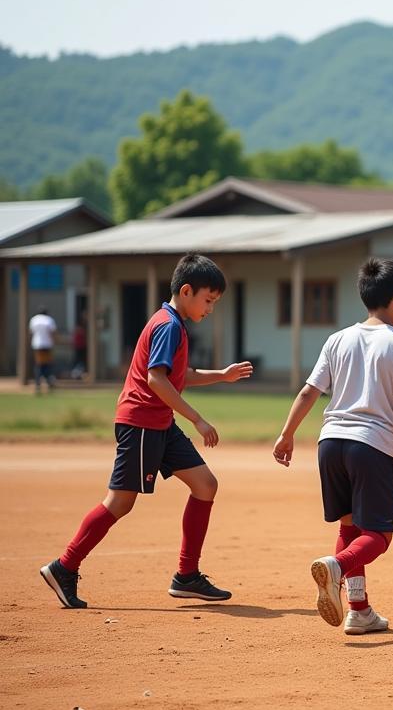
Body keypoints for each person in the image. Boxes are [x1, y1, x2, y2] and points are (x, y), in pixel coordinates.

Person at [40, 254, 252, 609]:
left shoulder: (172, 323)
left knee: (205, 485)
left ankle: (186, 576)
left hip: (159, 424)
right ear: (186, 291)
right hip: (141, 423)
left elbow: (176, 375)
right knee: (120, 503)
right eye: (209, 300)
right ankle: (64, 566)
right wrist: (198, 420)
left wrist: (222, 374)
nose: (211, 308)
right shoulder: (169, 325)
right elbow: (156, 379)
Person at [273, 258, 393, 635]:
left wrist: (286, 434)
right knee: (378, 536)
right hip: (372, 446)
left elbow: (309, 391)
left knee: (350, 525)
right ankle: (337, 567)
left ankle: (359, 609)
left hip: (330, 442)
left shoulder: (338, 339)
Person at [29, 307, 58, 393]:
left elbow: (31, 332)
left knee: (39, 364)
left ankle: (38, 384)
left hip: (37, 345)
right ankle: (49, 383)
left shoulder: (34, 319)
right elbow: (52, 332)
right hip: (47, 345)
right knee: (46, 365)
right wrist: (55, 342)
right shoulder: (49, 320)